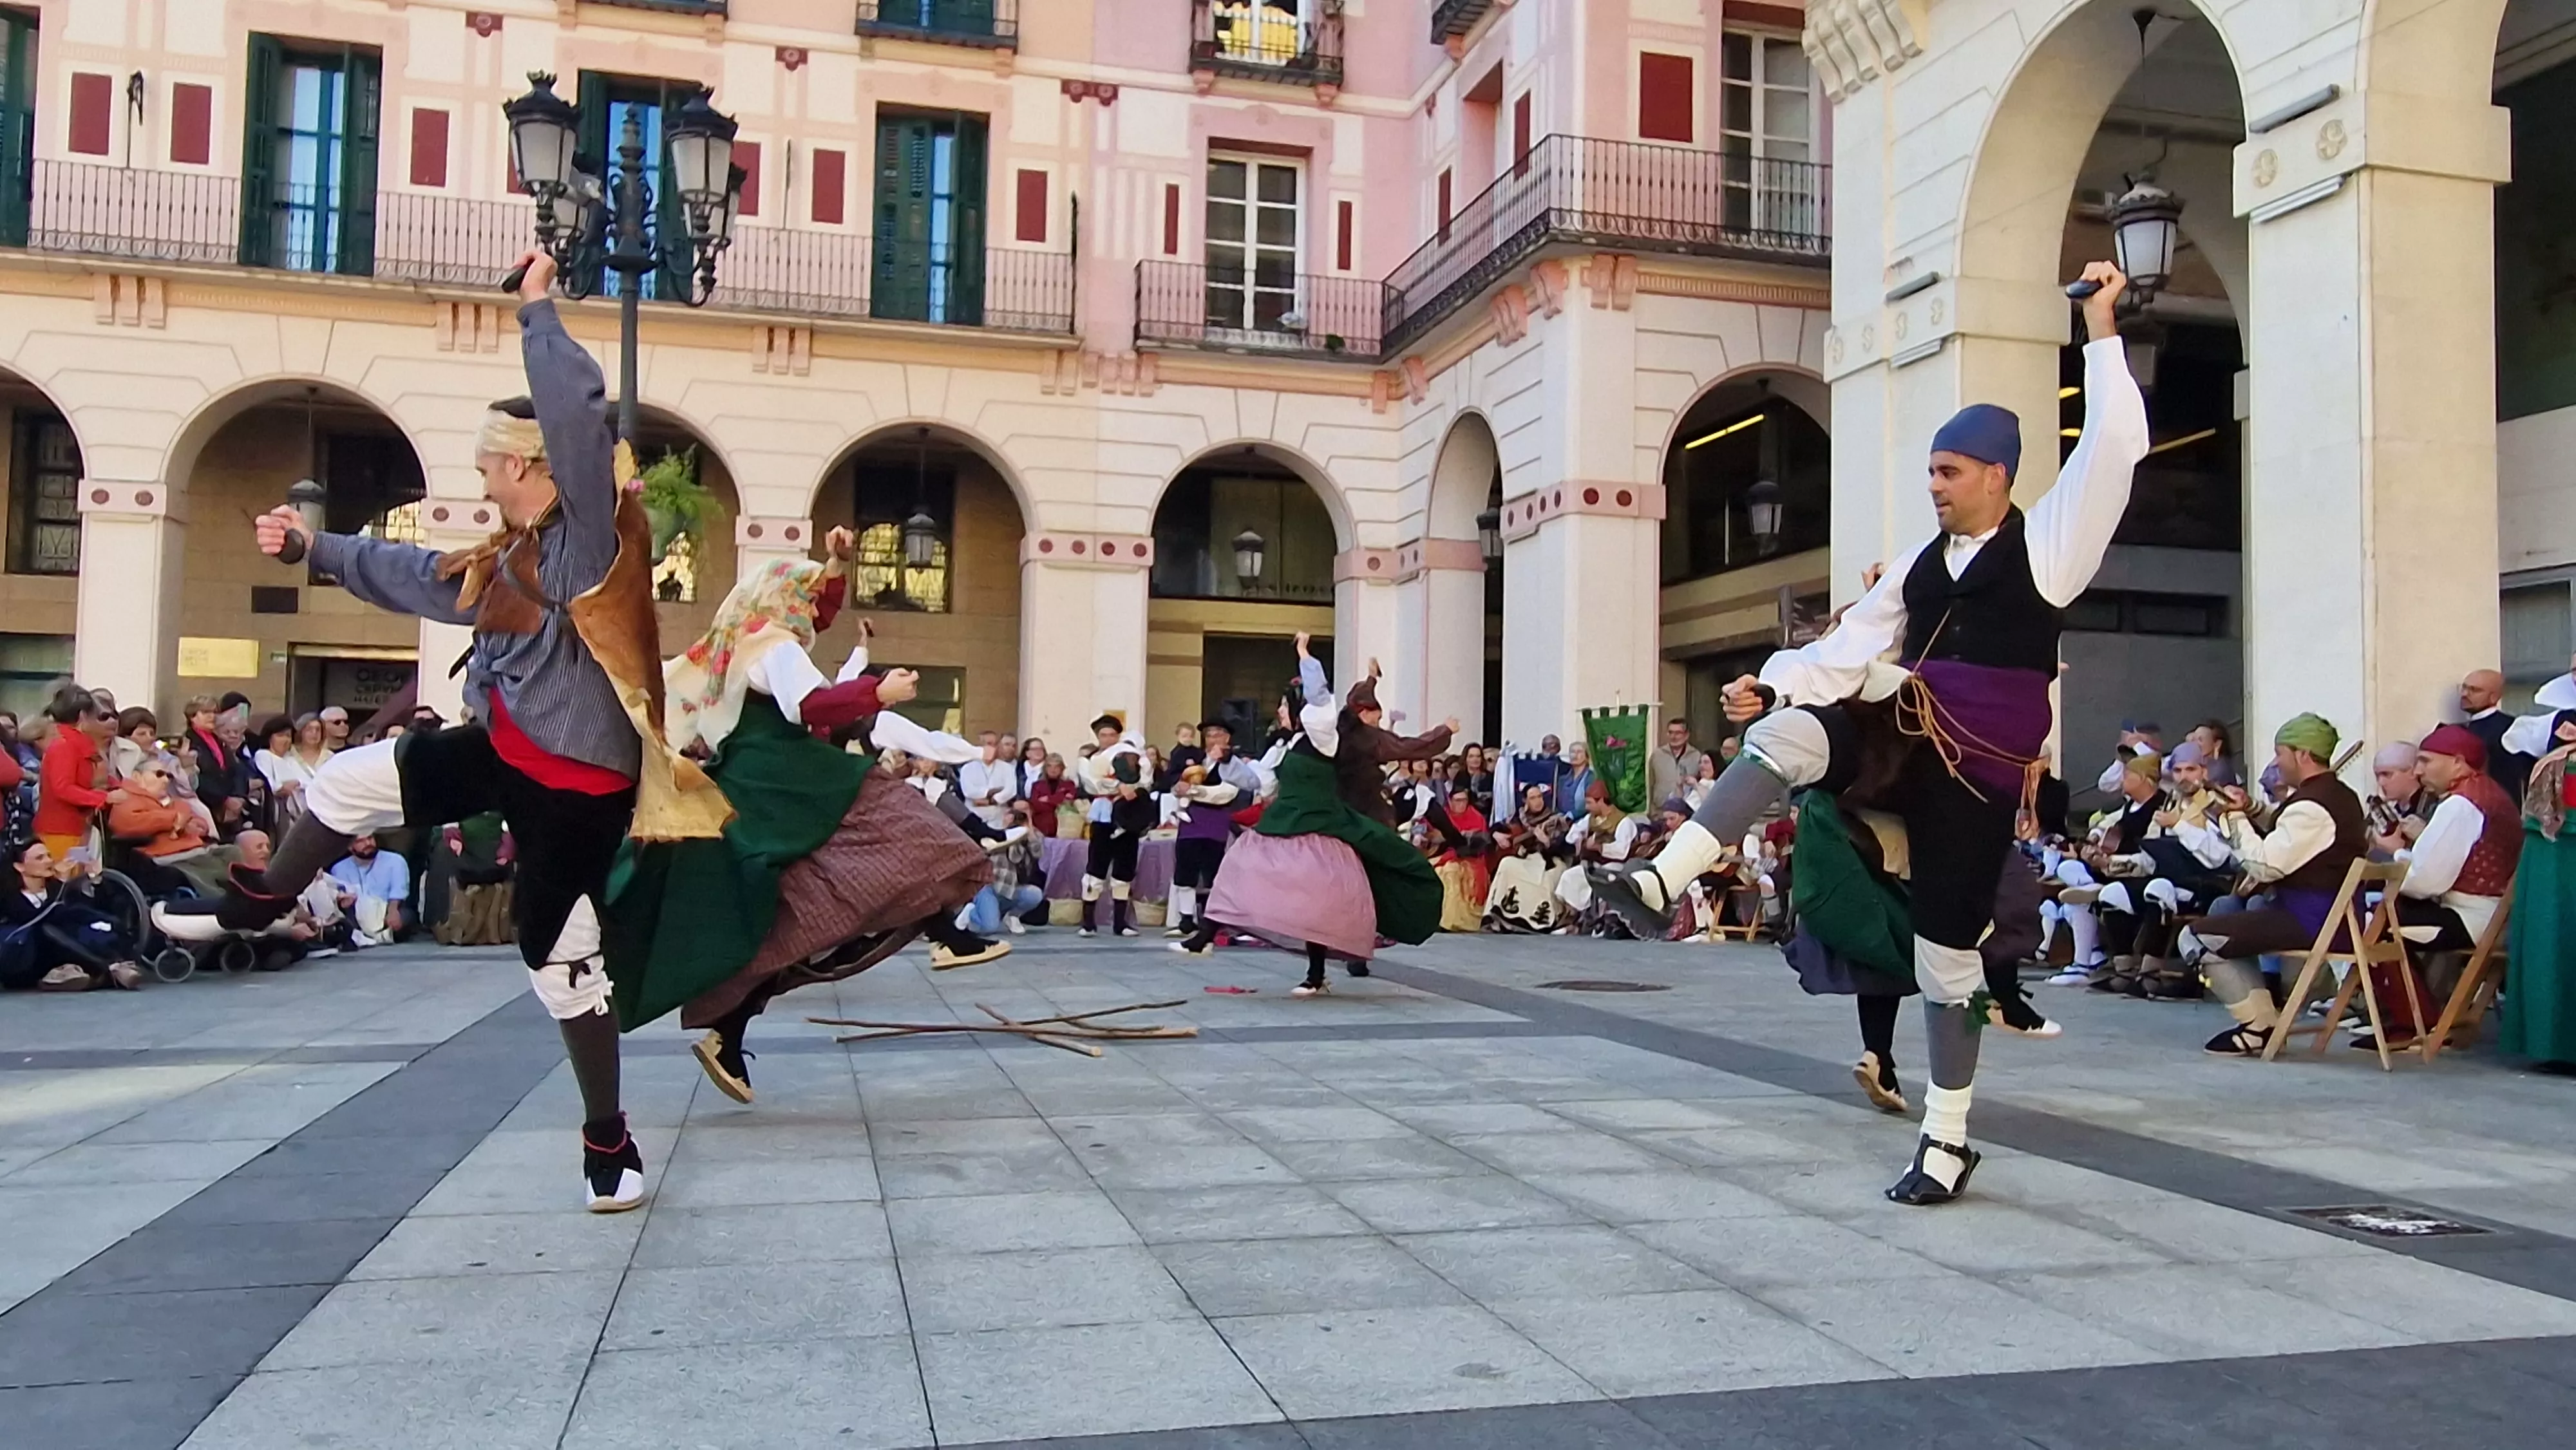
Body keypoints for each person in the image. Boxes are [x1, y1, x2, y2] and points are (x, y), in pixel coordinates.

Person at [1592, 259, 2146, 1206]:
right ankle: (1662, 876)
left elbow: (2115, 448)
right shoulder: (1922, 564)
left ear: (1996, 477)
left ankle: (1948, 1138)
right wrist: (1771, 688)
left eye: (1947, 472)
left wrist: (2100, 331)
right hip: (1906, 735)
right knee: (1804, 733)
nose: (1932, 486)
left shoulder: (2050, 548)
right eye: (1930, 470)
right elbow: (1852, 644)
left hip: (1975, 776)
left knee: (1947, 960)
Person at [176, 250, 719, 1214]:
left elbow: (578, 428)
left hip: (576, 786)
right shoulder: (509, 555)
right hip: (503, 751)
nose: (479, 479)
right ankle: (261, 901)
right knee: (346, 782)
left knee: (561, 960)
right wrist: (317, 548)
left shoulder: (596, 536)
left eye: (486, 467)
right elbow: (421, 576)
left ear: (523, 466)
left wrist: (540, 313)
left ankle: (608, 1139)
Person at [610, 551, 999, 1105]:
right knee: (913, 830)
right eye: (812, 597)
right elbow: (812, 705)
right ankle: (948, 934)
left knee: (799, 923)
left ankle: (731, 1032)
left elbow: (814, 626)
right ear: (786, 599)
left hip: (757, 784)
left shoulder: (738, 642)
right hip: (795, 780)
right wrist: (877, 692)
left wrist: (837, 565)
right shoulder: (775, 646)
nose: (818, 610)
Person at [1177, 635, 1445, 992]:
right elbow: (1258, 779)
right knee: (1239, 865)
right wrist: (1226, 762)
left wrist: (1304, 653)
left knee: (1317, 899)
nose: (1280, 712)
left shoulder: (1322, 735)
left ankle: (1316, 974)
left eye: (1284, 707)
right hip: (1284, 823)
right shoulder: (1285, 746)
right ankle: (1206, 935)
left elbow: (1320, 696)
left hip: (1320, 824)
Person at [2182, 715, 2369, 1057]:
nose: (2276, 764)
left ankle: (2258, 1026)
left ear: (2302, 755)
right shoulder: (2338, 796)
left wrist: (2232, 817)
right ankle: (2264, 1022)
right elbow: (2291, 833)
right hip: (2334, 918)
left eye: (2280, 754)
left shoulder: (2314, 804)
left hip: (2314, 920)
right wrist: (2251, 808)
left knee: (2196, 938)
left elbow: (2265, 866)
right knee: (2229, 924)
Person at [2354, 724, 2524, 1048]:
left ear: (2458, 762)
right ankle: (2422, 1019)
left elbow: (2425, 882)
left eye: (2426, 761)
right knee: (2383, 915)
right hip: (2492, 916)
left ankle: (2416, 1024)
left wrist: (2395, 852)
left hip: (2472, 917)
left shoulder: (2460, 805)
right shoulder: (2488, 793)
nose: (2419, 771)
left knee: (2367, 925)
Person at [2502, 708, 2576, 1071]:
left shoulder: (2558, 766)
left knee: (2555, 943)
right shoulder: (2556, 763)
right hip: (2552, 859)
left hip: (2555, 862)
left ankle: (2557, 1044)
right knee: (2553, 944)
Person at [2, 839, 144, 992]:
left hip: (64, 952)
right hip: (30, 958)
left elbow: (85, 910)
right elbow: (38, 917)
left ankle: (88, 973)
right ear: (19, 867)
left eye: (49, 856)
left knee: (86, 924)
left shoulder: (58, 888)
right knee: (47, 929)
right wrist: (61, 883)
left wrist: (95, 881)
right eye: (40, 858)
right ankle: (112, 967)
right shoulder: (10, 897)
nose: (49, 861)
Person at [1165, 720, 1257, 941]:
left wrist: (1193, 791)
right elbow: (1175, 782)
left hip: (1214, 821)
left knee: (1211, 871)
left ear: (1227, 739)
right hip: (1190, 821)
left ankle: (1211, 920)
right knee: (1185, 869)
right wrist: (1177, 788)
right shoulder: (1196, 760)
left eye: (1218, 735)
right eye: (1209, 735)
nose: (1213, 740)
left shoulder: (1232, 765)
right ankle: (1186, 919)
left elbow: (1225, 793)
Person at [35, 685, 119, 860]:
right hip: (60, 831)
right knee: (64, 882)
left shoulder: (78, 744)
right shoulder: (64, 746)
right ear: (83, 716)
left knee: (78, 879)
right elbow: (63, 788)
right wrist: (103, 798)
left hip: (77, 828)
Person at [325, 833, 413, 946]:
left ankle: (380, 935)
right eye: (360, 841)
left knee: (405, 917)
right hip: (356, 914)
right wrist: (343, 903)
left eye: (370, 838)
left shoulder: (395, 861)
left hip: (389, 909)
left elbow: (399, 891)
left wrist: (392, 912)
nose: (368, 843)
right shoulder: (339, 869)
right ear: (350, 847)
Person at [2457, 668, 2531, 801]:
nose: (2465, 694)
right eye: (2464, 687)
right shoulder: (2461, 728)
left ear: (2494, 697)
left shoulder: (2509, 728)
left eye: (2474, 690)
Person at [2367, 741, 2434, 843]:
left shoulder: (2433, 807)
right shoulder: (2385, 812)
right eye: (2378, 776)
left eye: (2387, 774)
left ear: (2413, 772)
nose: (2381, 782)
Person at [1647, 717, 1705, 810]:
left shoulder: (1696, 756)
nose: (1673, 737)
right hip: (1660, 812)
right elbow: (1650, 783)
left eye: (1678, 733)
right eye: (1670, 732)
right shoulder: (1657, 755)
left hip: (1686, 812)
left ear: (1686, 735)